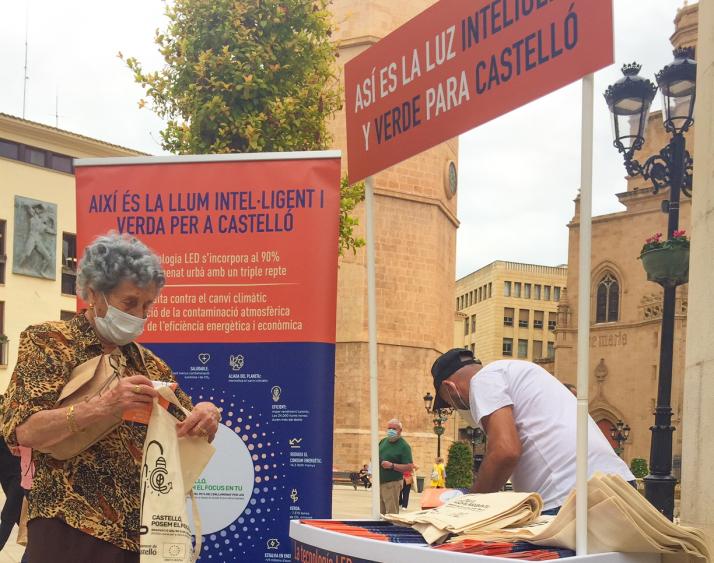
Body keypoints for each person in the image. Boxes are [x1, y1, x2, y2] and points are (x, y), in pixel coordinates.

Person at [0, 232, 221, 563]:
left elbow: (184, 428)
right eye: (129, 303)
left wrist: (204, 416)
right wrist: (104, 406)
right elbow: (24, 431)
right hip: (67, 528)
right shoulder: (50, 341)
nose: (139, 315)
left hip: (138, 537)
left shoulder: (148, 363)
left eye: (147, 305)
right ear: (94, 293)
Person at [430, 349, 634, 514]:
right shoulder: (519, 370)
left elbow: (505, 451)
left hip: (569, 495)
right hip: (618, 484)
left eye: (450, 404)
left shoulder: (483, 380)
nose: (456, 410)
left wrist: (470, 508)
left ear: (450, 388)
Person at [0, 396, 23, 552]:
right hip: (7, 477)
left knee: (8, 515)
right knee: (17, 518)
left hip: (21, 474)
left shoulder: (11, 428)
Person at [378, 419, 414, 515]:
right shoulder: (383, 441)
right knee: (379, 513)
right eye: (389, 428)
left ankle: (390, 529)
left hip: (392, 483)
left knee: (391, 513)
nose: (391, 431)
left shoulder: (404, 446)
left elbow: (410, 467)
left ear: (400, 430)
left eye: (394, 429)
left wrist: (392, 466)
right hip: (379, 482)